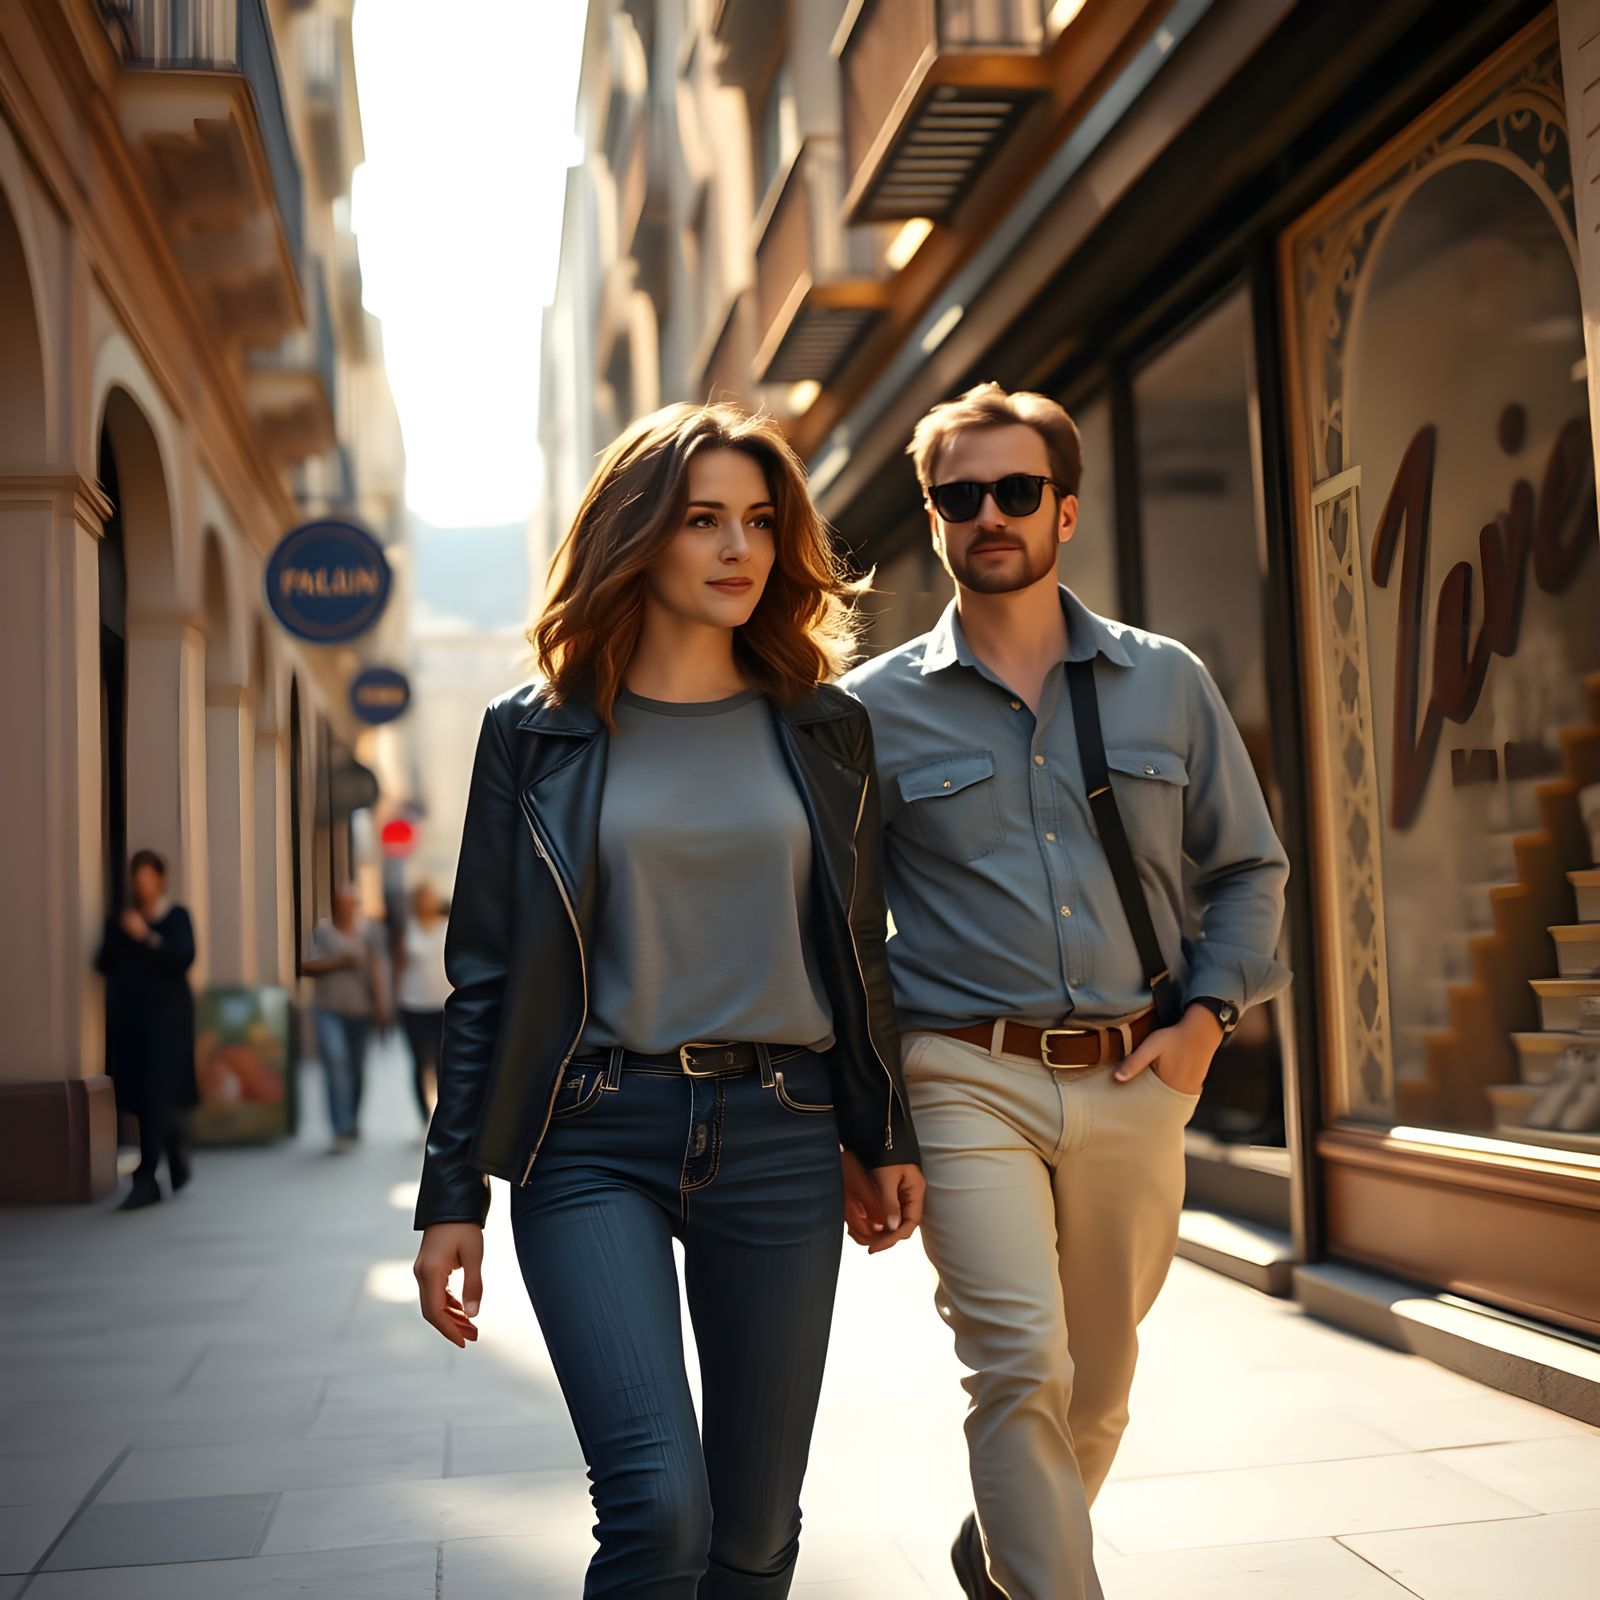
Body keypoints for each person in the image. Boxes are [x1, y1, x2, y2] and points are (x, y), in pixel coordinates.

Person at [411, 401, 924, 1598]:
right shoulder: (530, 734)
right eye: (704, 521)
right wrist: (452, 1199)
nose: (739, 547)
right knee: (657, 1509)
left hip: (782, 1134)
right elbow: (483, 976)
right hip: (590, 1136)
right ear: (636, 537)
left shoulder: (823, 724)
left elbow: (858, 945)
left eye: (759, 520)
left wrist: (877, 1126)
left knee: (752, 1531)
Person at [842, 382, 1290, 1600]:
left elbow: (1249, 866)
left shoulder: (1166, 681)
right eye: (959, 495)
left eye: (1015, 490)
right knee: (1017, 1365)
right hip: (958, 1074)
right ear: (933, 518)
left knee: (1100, 1380)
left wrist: (1205, 1022)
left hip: (1136, 1071)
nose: (989, 513)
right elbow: (837, 934)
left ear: (1066, 509)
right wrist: (866, 1117)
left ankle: (1006, 1553)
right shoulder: (867, 712)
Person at [94, 848, 197, 1210]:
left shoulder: (176, 917)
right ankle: (176, 1151)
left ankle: (146, 1176)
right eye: (137, 880)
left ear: (161, 880)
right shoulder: (123, 920)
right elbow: (105, 962)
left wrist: (147, 937)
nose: (143, 887)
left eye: (148, 879)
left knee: (156, 1090)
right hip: (132, 1021)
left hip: (168, 1021)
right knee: (141, 1095)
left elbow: (183, 956)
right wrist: (125, 933)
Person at [304, 885, 387, 1150]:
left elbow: (376, 970)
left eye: (350, 903)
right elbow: (307, 966)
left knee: (356, 1070)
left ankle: (351, 1120)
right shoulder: (321, 933)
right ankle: (340, 1128)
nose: (346, 908)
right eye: (341, 903)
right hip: (328, 1008)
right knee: (336, 1065)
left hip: (360, 1010)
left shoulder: (368, 934)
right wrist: (339, 961)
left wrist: (382, 1005)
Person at [396, 880, 450, 1127]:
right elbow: (398, 966)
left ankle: (443, 1115)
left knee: (443, 1063)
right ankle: (423, 1117)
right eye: (422, 897)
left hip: (443, 1005)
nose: (426, 902)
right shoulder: (407, 929)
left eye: (430, 897)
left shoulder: (448, 926)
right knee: (419, 1062)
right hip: (412, 1003)